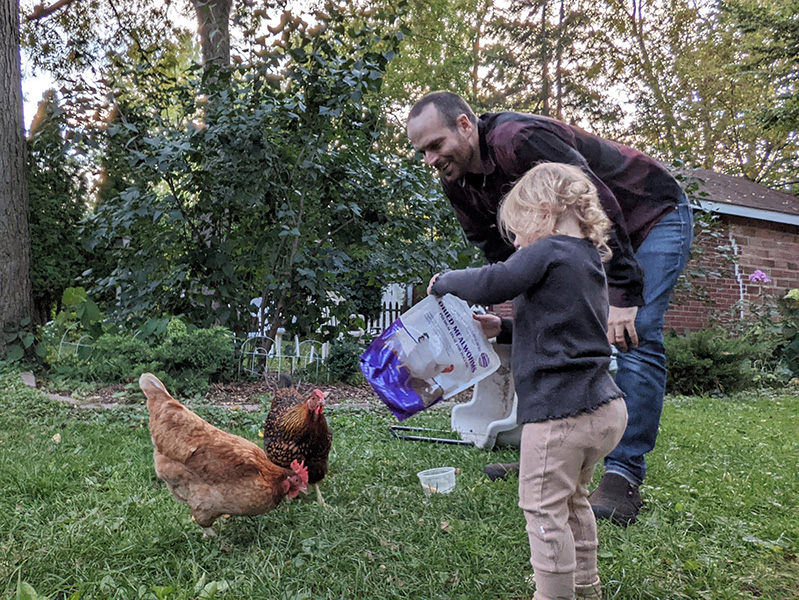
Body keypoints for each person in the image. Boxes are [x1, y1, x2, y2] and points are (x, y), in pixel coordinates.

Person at [407, 91, 693, 526]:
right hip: (588, 236)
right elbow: (500, 251)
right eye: (422, 151)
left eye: (435, 144)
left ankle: (622, 477)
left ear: (465, 125)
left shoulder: (519, 140)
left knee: (634, 334)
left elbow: (598, 203)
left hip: (647, 216)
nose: (430, 158)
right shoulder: (457, 181)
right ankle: (550, 454)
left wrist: (623, 294)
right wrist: (505, 322)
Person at [428, 162, 627, 600]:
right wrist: (503, 329)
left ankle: (553, 595)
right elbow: (562, 328)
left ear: (544, 210)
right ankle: (585, 586)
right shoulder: (586, 260)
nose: (516, 245)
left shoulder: (549, 249)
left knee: (542, 507)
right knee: (573, 499)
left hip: (559, 414)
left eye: (517, 233)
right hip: (603, 409)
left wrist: (444, 282)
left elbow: (494, 280)